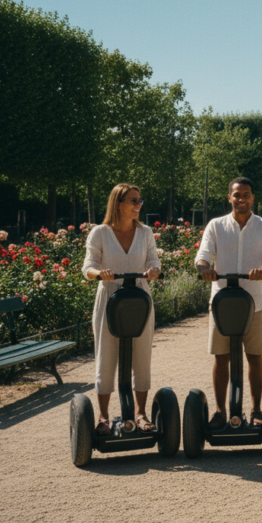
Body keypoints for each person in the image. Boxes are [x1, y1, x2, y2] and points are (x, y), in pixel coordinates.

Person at [195, 177, 262, 429]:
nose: (241, 199)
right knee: (220, 358)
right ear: (229, 197)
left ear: (252, 198)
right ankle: (221, 411)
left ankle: (256, 411)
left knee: (255, 357)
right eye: (237, 195)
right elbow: (203, 256)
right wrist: (205, 268)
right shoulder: (216, 225)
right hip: (222, 303)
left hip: (255, 302)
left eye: (246, 194)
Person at [82, 184, 161, 434]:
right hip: (110, 297)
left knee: (141, 356)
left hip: (139, 297)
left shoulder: (145, 232)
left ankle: (140, 414)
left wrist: (154, 271)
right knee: (105, 356)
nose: (138, 205)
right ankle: (103, 417)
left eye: (140, 200)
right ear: (118, 203)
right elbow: (88, 267)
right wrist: (99, 274)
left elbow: (153, 262)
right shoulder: (100, 233)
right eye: (133, 201)